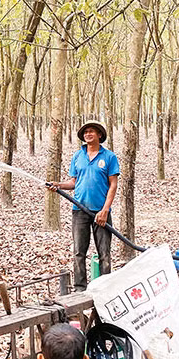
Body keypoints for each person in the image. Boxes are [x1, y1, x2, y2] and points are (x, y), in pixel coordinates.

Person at [48, 120, 119, 292]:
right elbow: (73, 182)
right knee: (79, 251)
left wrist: (105, 210)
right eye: (86, 132)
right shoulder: (78, 156)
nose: (88, 134)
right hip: (79, 210)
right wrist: (58, 185)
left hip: (101, 212)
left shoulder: (109, 157)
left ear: (99, 135)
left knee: (104, 253)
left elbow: (113, 185)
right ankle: (80, 288)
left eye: (91, 131)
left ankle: (104, 289)